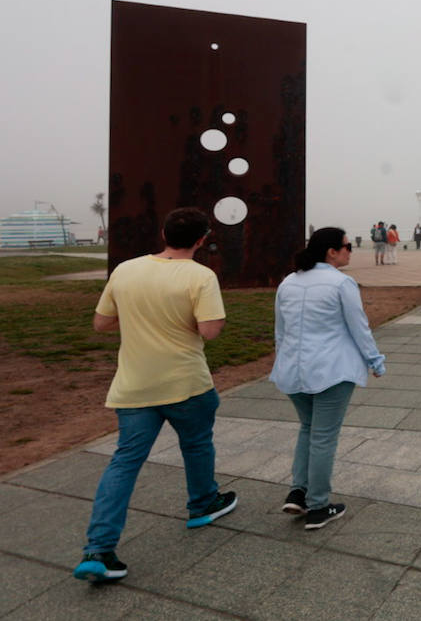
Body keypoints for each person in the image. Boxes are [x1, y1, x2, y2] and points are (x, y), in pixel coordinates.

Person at [73, 207, 237, 583]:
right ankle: (202, 504)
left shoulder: (126, 270)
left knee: (125, 461)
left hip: (134, 385)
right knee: (196, 445)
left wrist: (137, 316)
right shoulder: (200, 275)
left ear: (163, 233)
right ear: (201, 239)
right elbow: (210, 331)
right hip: (186, 383)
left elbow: (101, 323)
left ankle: (98, 549)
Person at [270, 228, 385, 530]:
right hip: (332, 370)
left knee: (308, 429)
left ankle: (299, 490)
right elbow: (359, 326)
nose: (350, 251)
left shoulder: (289, 282)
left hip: (293, 368)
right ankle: (319, 505)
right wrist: (375, 360)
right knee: (323, 436)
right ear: (331, 251)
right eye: (347, 247)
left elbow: (280, 331)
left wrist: (282, 359)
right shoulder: (341, 283)